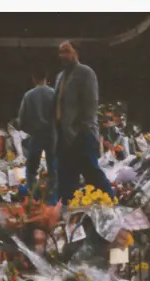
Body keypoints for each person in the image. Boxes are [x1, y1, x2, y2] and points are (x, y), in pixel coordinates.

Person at [53, 40, 115, 205]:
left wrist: (79, 132)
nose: (63, 56)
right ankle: (66, 213)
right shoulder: (60, 76)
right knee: (65, 177)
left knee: (92, 174)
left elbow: (90, 106)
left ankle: (112, 203)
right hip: (63, 135)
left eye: (66, 51)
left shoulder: (86, 73)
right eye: (60, 52)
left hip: (82, 134)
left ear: (76, 52)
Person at [18, 69, 57, 202]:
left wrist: (29, 130)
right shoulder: (54, 94)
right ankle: (52, 200)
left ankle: (33, 199)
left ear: (33, 78)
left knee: (31, 169)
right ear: (46, 77)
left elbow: (21, 120)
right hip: (52, 135)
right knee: (53, 170)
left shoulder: (28, 95)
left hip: (36, 135)